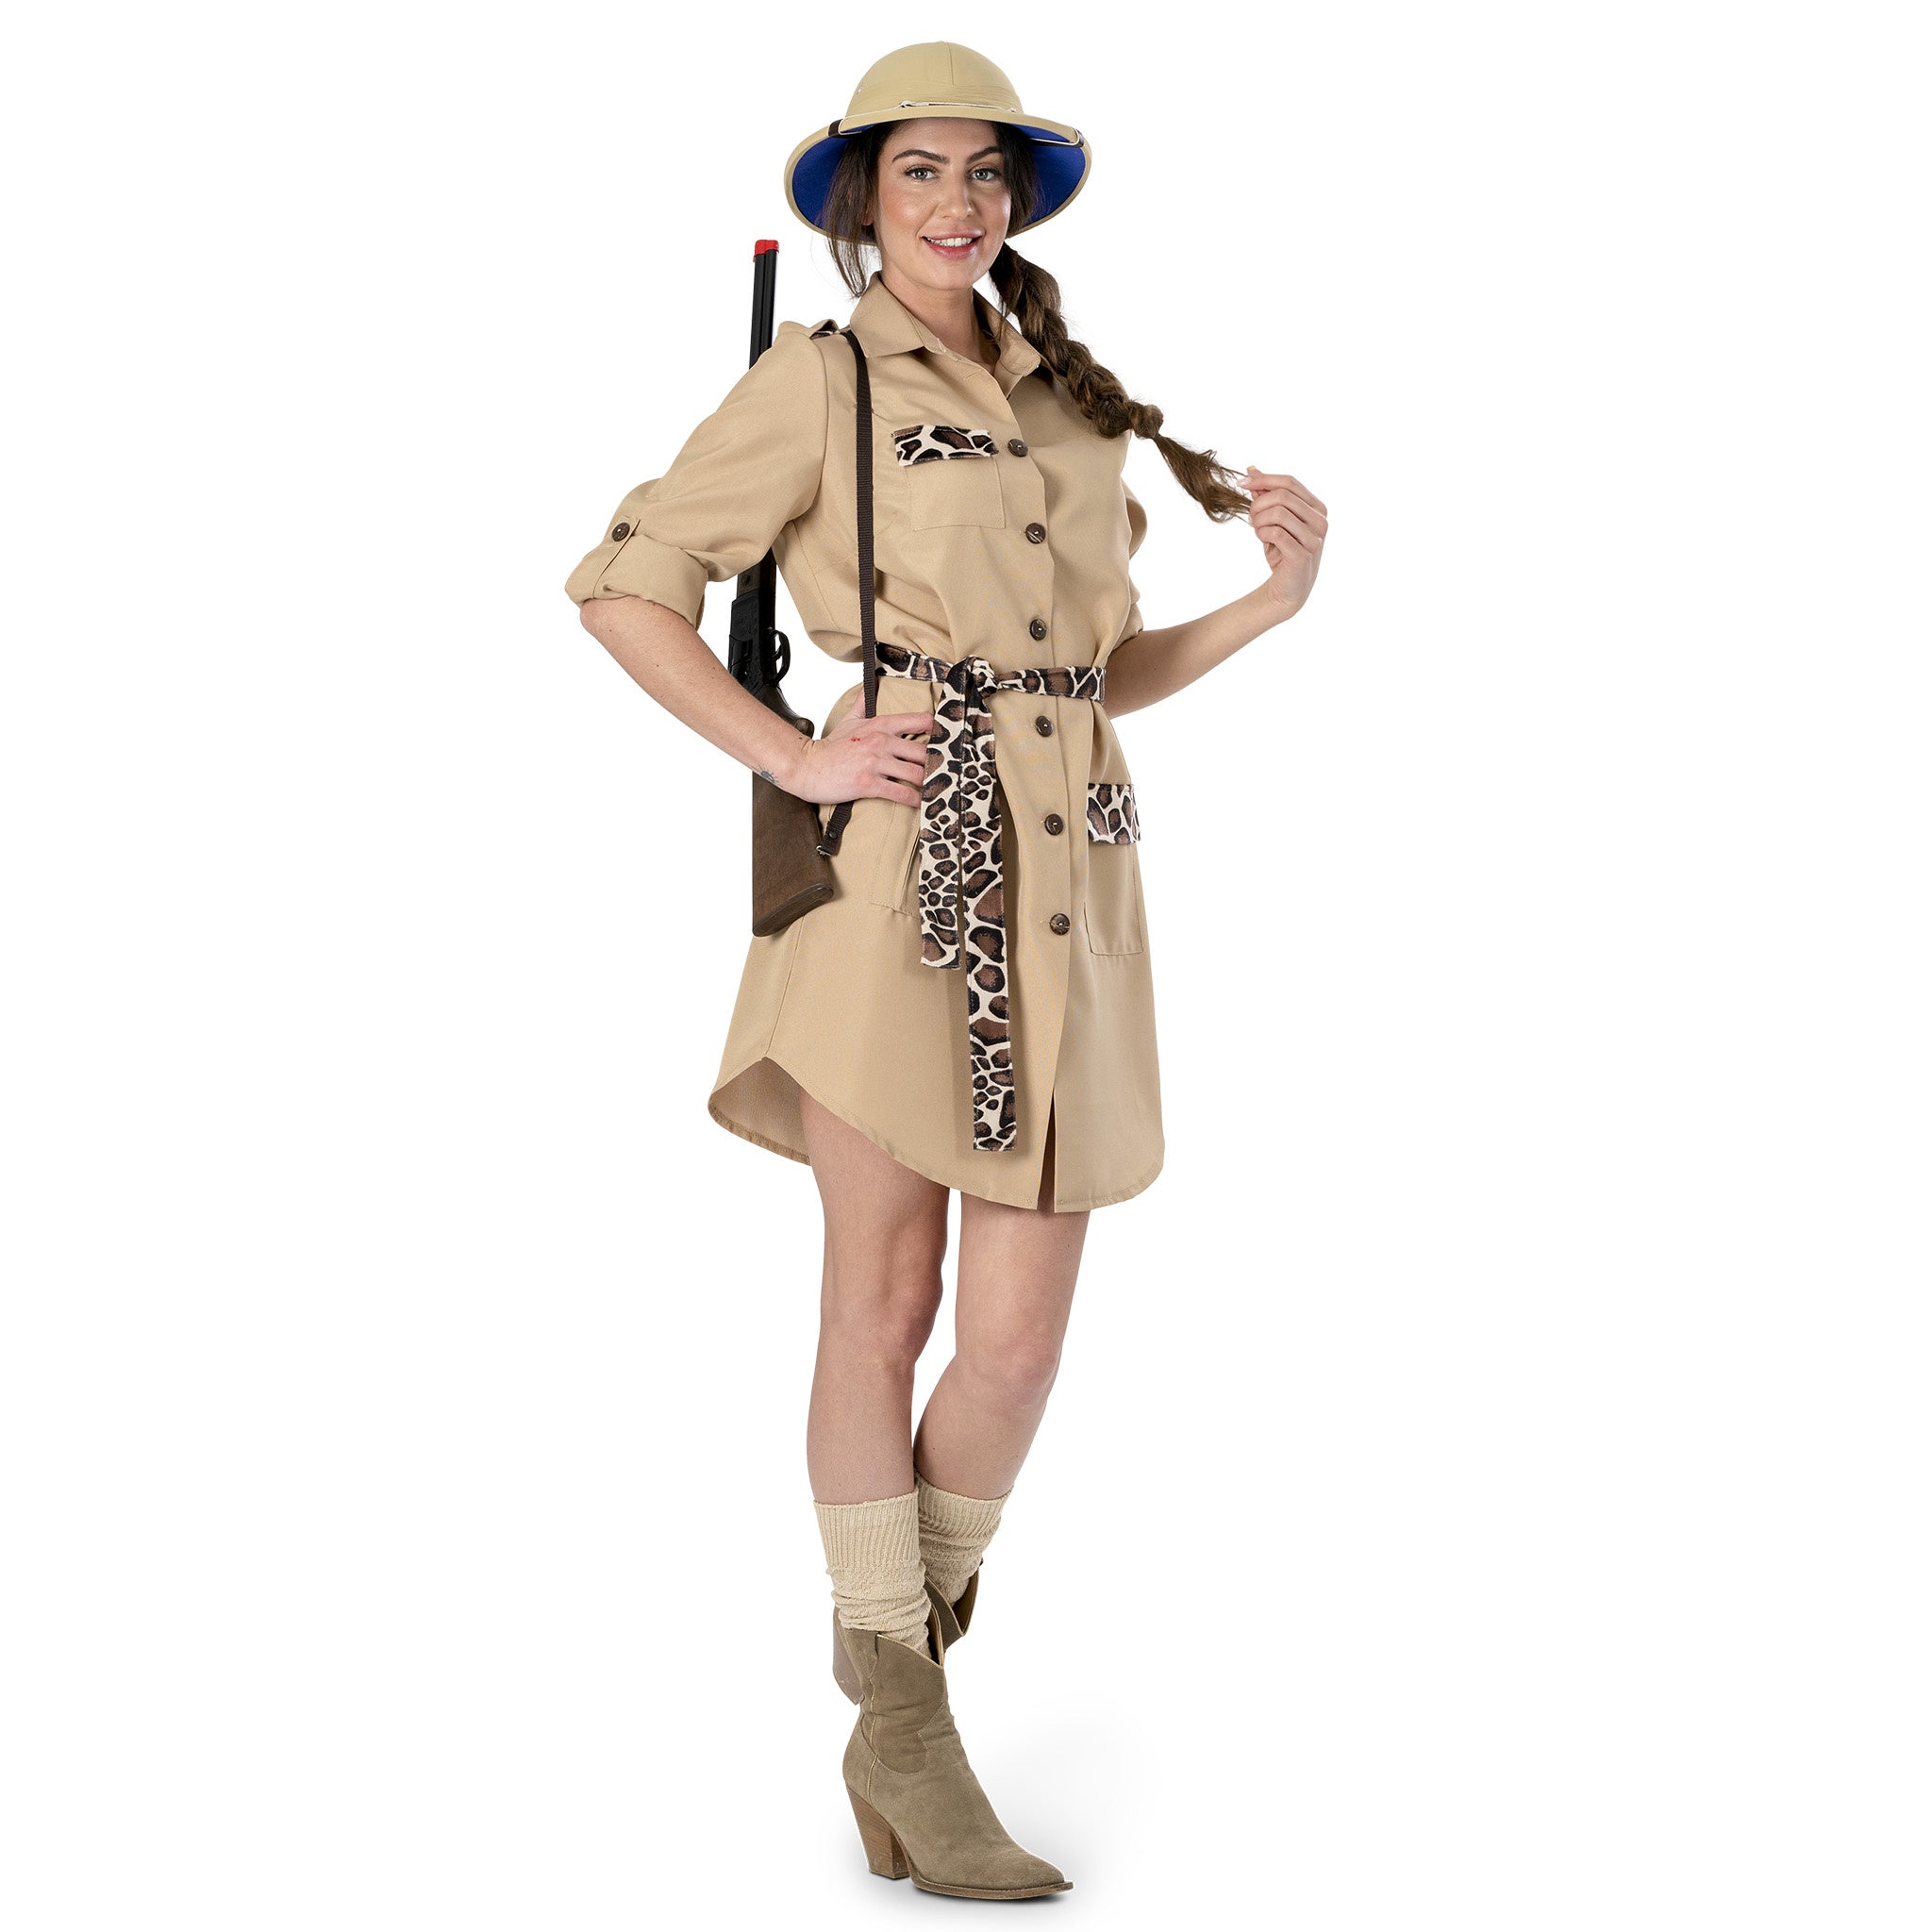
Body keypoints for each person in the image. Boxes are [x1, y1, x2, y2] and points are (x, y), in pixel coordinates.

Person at [564, 42, 1326, 1901]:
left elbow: (1090, 669)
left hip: (1077, 877)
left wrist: (1264, 607)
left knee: (1017, 1342)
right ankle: (909, 1722)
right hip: (900, 875)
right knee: (883, 1295)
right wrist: (796, 752)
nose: (959, 202)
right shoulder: (817, 383)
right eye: (922, 169)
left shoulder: (1068, 402)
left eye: (986, 172)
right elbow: (621, 584)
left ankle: (891, 1682)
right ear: (864, 197)